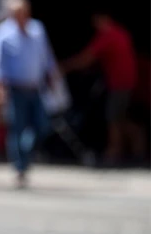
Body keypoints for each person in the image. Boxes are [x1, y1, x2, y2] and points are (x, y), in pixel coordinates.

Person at [0, 0, 57, 189]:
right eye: (16, 11)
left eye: (23, 10)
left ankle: (25, 155)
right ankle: (20, 167)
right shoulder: (1, 33)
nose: (21, 14)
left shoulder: (37, 29)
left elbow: (46, 56)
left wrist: (52, 77)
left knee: (42, 125)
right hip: (15, 88)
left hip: (36, 87)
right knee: (17, 128)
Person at [61, 12, 145, 166]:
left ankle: (114, 152)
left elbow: (87, 58)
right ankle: (138, 147)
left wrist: (64, 67)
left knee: (113, 118)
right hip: (127, 81)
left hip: (120, 83)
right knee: (120, 117)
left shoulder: (108, 35)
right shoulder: (121, 32)